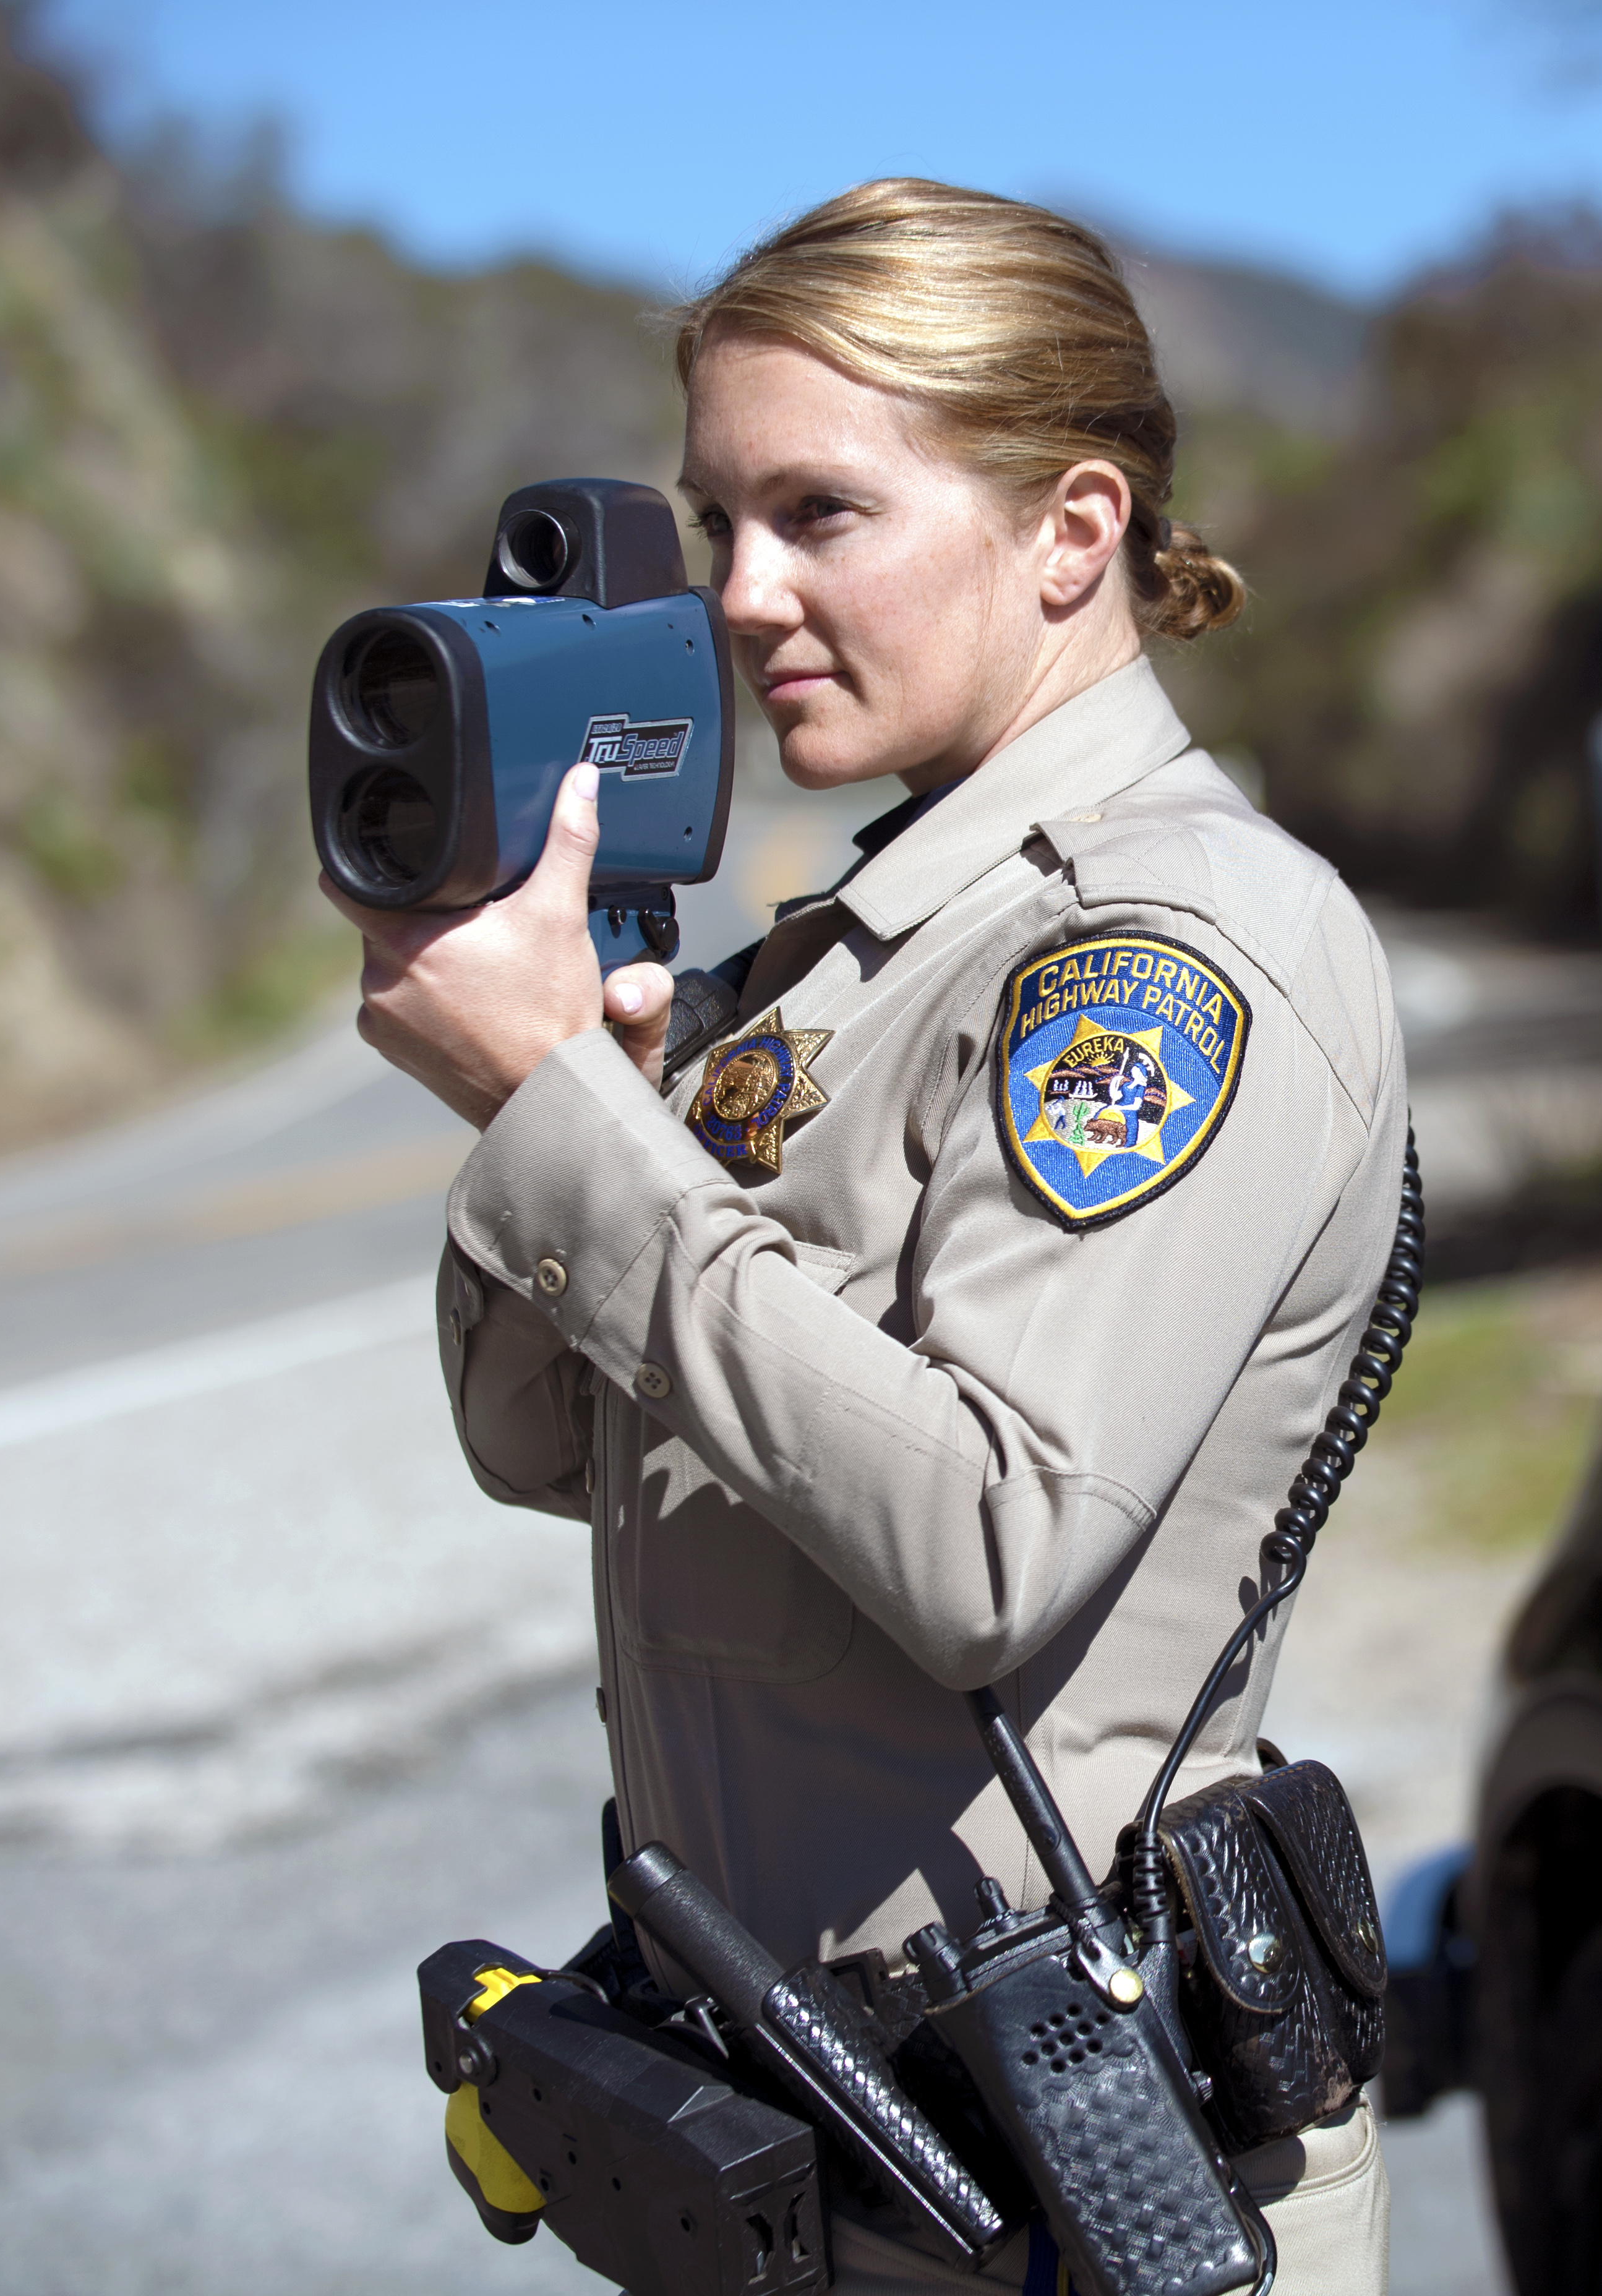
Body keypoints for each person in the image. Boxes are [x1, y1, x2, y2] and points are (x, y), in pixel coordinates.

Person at [330, 179, 1406, 2292]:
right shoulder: (839, 963)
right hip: (807, 2167)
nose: (740, 597)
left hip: (1071, 2199)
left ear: (1072, 533)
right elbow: (556, 1452)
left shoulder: (1166, 953)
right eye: (717, 519)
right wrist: (583, 1076)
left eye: (821, 515)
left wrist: (565, 1123)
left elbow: (987, 1540)